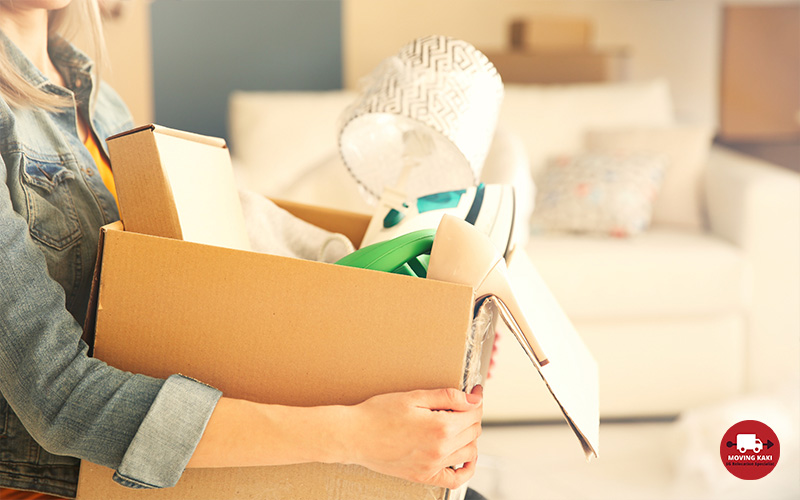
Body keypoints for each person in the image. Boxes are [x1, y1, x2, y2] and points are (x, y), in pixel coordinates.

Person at [0, 1, 485, 499]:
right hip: (67, 483)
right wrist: (358, 435)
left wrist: (425, 341)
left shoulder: (100, 103)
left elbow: (183, 300)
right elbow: (59, 400)